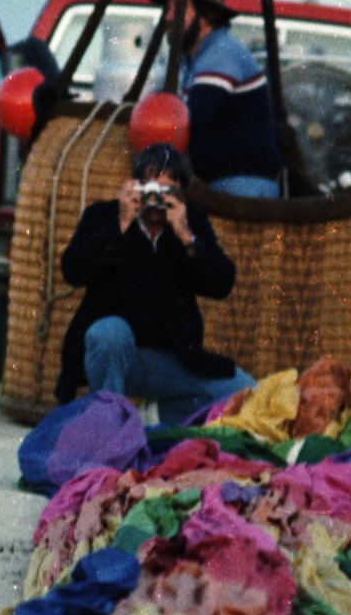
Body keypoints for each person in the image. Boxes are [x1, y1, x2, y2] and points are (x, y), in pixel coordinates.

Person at [55, 142, 253, 425]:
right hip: (119, 350)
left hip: (171, 358)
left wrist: (187, 238)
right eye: (151, 189)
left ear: (180, 195)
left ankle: (150, 418)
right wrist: (120, 225)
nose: (156, 200)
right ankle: (107, 425)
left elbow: (222, 284)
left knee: (244, 392)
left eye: (166, 191)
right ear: (136, 186)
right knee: (107, 333)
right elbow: (72, 270)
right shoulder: (104, 216)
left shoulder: (190, 222)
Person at [171, 0, 283, 197]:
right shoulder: (191, 59)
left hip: (243, 187)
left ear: (206, 16)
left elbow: (193, 120)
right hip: (220, 184)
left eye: (179, 8)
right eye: (168, 8)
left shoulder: (222, 51)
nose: (169, 16)